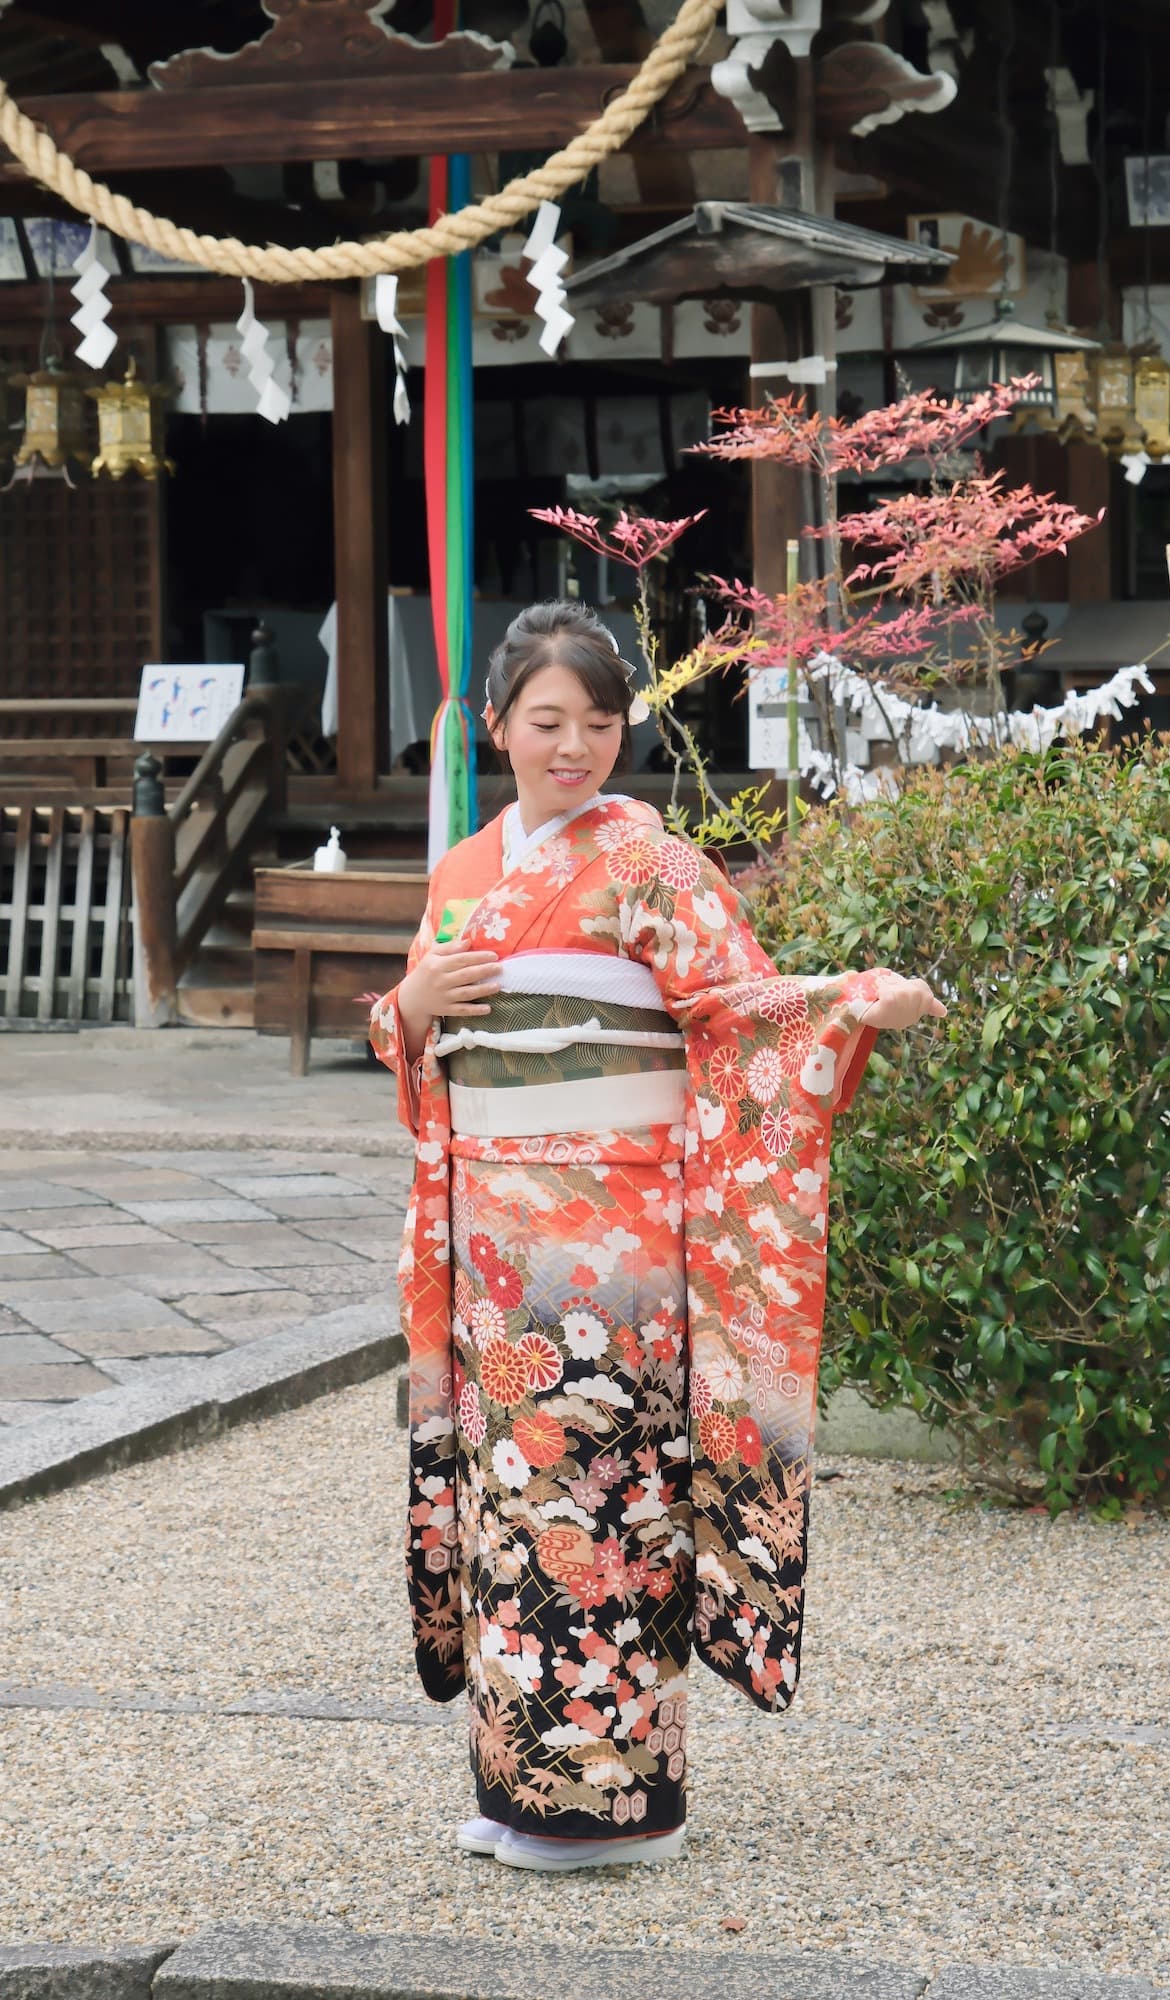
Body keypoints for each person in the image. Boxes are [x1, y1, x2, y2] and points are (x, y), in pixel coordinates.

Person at [370, 600, 947, 1873]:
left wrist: (851, 1000)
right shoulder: (465, 870)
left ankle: (617, 1807)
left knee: (602, 1496)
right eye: (545, 721)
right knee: (505, 1508)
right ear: (493, 726)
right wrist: (406, 1004)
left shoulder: (653, 863)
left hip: (609, 1253)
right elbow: (413, 1031)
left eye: (596, 722)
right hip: (487, 1243)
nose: (571, 745)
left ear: (622, 728)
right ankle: (522, 1781)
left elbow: (739, 1010)